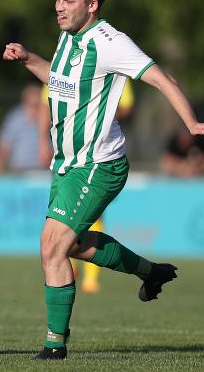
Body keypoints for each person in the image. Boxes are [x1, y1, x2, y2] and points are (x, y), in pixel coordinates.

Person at [2, 0, 204, 360]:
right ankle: (151, 272)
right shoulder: (68, 36)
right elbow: (62, 83)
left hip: (98, 164)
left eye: (68, 1)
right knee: (73, 246)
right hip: (67, 164)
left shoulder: (111, 42)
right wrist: (29, 58)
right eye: (57, 0)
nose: (59, 7)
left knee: (51, 247)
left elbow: (160, 78)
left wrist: (190, 123)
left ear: (92, 4)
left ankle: (54, 346)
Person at [39, 79, 136, 294]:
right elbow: (46, 106)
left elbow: (127, 107)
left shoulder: (112, 69)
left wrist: (97, 113)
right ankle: (70, 268)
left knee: (92, 219)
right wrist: (42, 141)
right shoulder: (60, 67)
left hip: (96, 159)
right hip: (64, 156)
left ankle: (91, 278)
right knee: (61, 221)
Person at [0, 83, 45, 174]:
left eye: (39, 106)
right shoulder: (15, 119)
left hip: (44, 171)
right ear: (24, 103)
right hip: (19, 172)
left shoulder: (49, 120)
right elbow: (4, 144)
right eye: (33, 106)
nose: (36, 110)